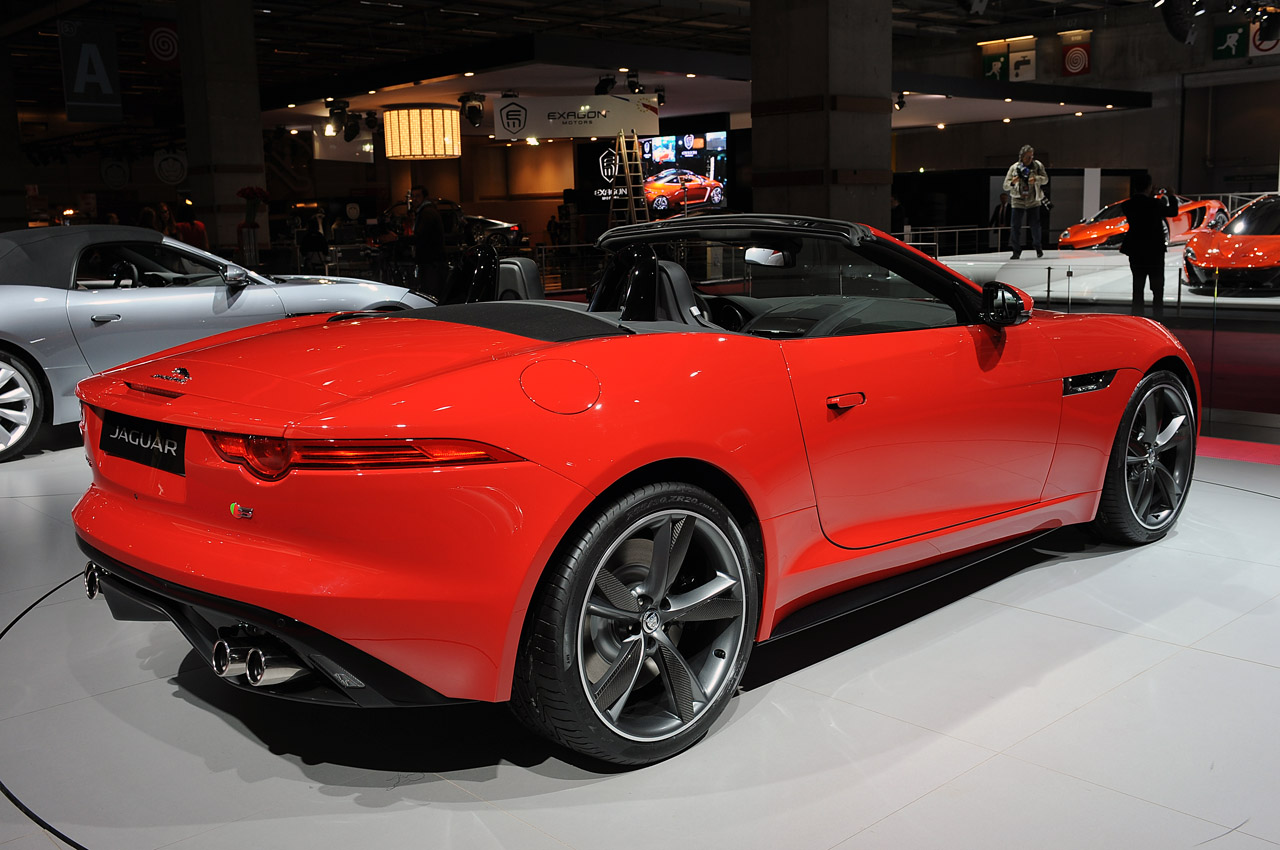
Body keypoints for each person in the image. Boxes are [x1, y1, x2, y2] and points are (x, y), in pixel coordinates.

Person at [1120, 174, 1179, 321]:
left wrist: (1149, 194)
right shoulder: (1156, 204)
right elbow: (1173, 212)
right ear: (1149, 186)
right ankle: (1157, 319)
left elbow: (1141, 205)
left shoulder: (1127, 205)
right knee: (1157, 288)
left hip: (1136, 249)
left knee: (1137, 286)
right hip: (1154, 250)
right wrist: (1171, 196)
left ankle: (1137, 318)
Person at [1002, 144, 1049, 259]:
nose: (1030, 159)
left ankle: (1038, 247)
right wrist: (1013, 182)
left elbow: (1045, 180)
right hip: (1018, 201)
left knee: (1035, 226)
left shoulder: (1038, 166)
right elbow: (1005, 186)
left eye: (1032, 156)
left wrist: (1036, 179)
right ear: (1022, 157)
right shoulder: (1014, 168)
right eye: (1028, 157)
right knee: (1015, 227)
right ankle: (1016, 251)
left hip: (1033, 201)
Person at [410, 184, 448, 301]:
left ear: (424, 197)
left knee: (430, 296)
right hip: (431, 261)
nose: (414, 199)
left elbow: (421, 236)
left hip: (431, 262)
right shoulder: (425, 211)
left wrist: (398, 239)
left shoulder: (427, 213)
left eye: (417, 196)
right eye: (413, 196)